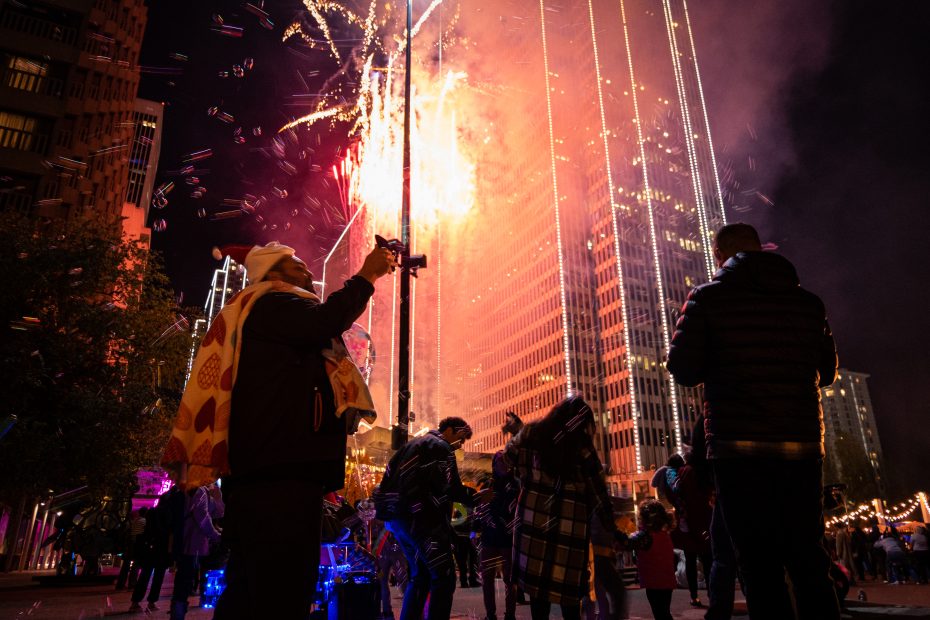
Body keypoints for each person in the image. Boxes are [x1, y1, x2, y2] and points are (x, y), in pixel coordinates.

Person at [160, 241, 395, 620]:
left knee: (248, 592)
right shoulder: (272, 302)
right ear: (273, 273)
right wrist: (367, 275)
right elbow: (324, 320)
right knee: (284, 590)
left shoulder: (257, 312)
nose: (307, 271)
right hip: (282, 474)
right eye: (296, 265)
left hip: (262, 473)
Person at [666, 222, 840, 620]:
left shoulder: (707, 298)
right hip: (801, 447)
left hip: (737, 449)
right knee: (809, 559)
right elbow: (828, 373)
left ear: (719, 256)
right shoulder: (809, 303)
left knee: (759, 565)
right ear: (761, 249)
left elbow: (682, 368)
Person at [505, 396, 624, 620]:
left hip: (532, 531)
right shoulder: (582, 447)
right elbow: (599, 495)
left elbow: (507, 458)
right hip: (569, 536)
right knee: (570, 602)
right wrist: (614, 530)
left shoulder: (531, 433)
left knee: (538, 601)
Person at [380, 417, 473, 620]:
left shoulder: (411, 445)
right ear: (449, 430)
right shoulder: (441, 447)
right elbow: (451, 488)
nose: (460, 445)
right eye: (461, 438)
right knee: (444, 577)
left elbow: (388, 479)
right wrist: (475, 497)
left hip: (400, 521)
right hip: (424, 522)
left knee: (420, 575)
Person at [672, 425, 713, 609]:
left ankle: (694, 595)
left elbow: (676, 494)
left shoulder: (683, 472)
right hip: (704, 522)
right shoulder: (703, 470)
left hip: (689, 525)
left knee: (690, 561)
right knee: (708, 560)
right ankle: (712, 594)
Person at [169, 483, 224, 619]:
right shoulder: (199, 491)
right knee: (184, 582)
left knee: (183, 580)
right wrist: (216, 535)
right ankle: (177, 615)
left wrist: (217, 496)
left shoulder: (191, 490)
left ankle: (177, 613)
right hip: (192, 543)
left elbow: (218, 512)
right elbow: (203, 517)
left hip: (185, 542)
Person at [476, 451, 520, 620]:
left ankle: (510, 615)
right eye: (499, 462)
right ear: (494, 465)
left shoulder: (516, 485)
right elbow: (479, 509)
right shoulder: (489, 484)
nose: (502, 465)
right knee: (487, 579)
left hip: (508, 539)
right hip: (490, 538)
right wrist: (475, 529)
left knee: (510, 580)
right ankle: (490, 614)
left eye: (505, 461)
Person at [130, 488, 177, 613]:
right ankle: (152, 602)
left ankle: (136, 601)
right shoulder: (170, 513)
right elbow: (170, 531)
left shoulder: (152, 511)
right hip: (162, 547)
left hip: (150, 547)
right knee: (158, 576)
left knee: (145, 574)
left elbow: (148, 529)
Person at [635, 500, 676, 620]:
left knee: (659, 613)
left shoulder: (646, 537)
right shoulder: (665, 535)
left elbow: (627, 543)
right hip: (667, 582)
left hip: (653, 583)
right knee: (664, 612)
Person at [116, 508, 147, 590]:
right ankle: (132, 584)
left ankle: (120, 584)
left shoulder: (134, 521)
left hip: (130, 544)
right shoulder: (144, 521)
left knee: (126, 565)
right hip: (138, 544)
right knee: (136, 564)